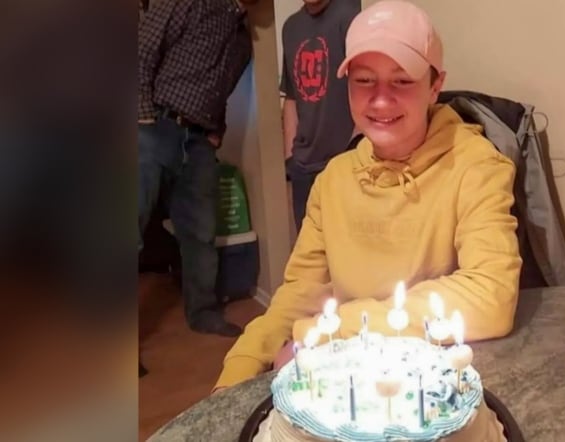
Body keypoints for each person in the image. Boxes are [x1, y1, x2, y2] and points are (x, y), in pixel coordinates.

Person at [214, 0, 521, 390]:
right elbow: (299, 294)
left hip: (437, 393)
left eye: (402, 81)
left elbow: (489, 296)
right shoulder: (334, 180)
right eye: (363, 80)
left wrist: (332, 328)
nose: (380, 99)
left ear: (435, 86)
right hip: (347, 386)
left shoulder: (476, 166)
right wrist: (238, 369)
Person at [137, 0, 257, 336]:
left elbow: (219, 91)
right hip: (152, 125)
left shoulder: (243, 41)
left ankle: (203, 312)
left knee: (201, 232)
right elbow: (141, 50)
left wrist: (217, 132)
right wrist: (143, 117)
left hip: (199, 141)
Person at [280, 0, 361, 233]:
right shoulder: (291, 27)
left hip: (346, 164)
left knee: (349, 254)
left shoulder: (353, 15)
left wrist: (355, 153)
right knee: (310, 259)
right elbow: (292, 97)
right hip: (303, 169)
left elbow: (367, 88)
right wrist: (290, 159)